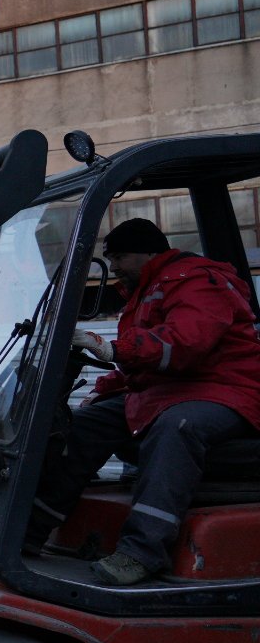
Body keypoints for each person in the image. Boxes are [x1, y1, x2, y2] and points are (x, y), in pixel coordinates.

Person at [28, 218, 260, 585]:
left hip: (225, 391)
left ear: (151, 252)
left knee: (177, 427)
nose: (115, 266)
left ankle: (142, 553)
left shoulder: (198, 281)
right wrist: (100, 391)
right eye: (112, 258)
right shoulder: (145, 290)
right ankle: (30, 530)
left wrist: (111, 347)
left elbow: (185, 344)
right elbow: (138, 365)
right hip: (169, 391)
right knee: (86, 424)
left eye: (121, 256)